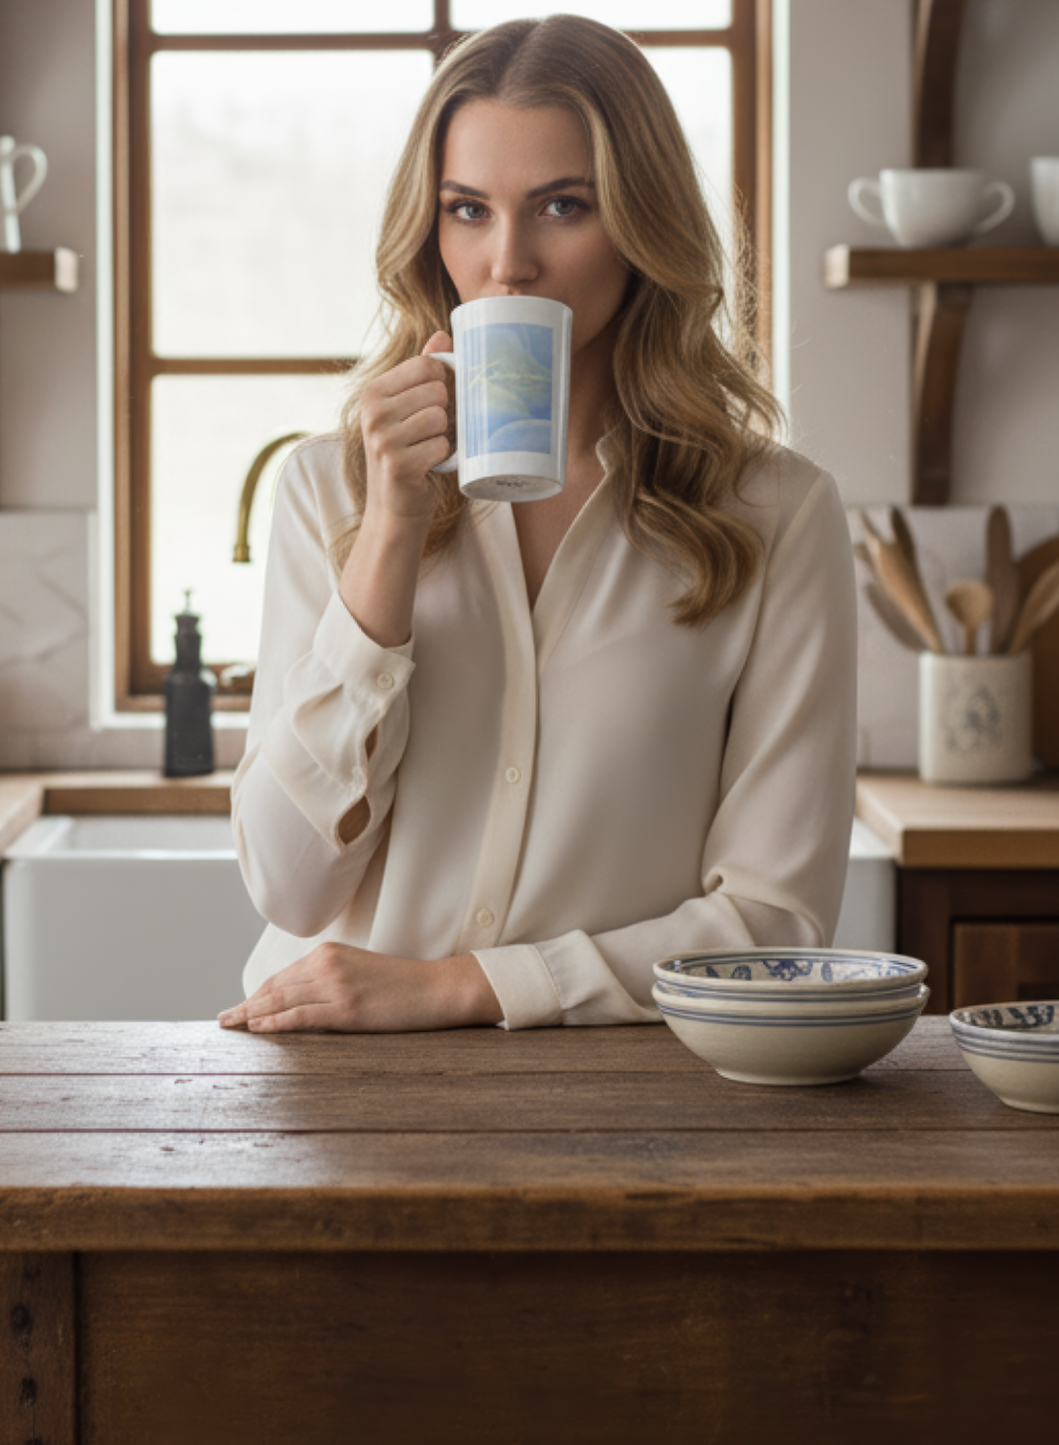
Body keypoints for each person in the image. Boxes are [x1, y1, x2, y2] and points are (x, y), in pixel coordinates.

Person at [217, 14, 856, 1035]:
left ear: (643, 228)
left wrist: (464, 986)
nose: (506, 261)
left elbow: (774, 921)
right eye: (465, 209)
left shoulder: (772, 516)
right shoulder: (327, 491)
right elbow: (291, 889)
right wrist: (387, 534)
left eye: (562, 206)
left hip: (619, 1103)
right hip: (334, 1087)